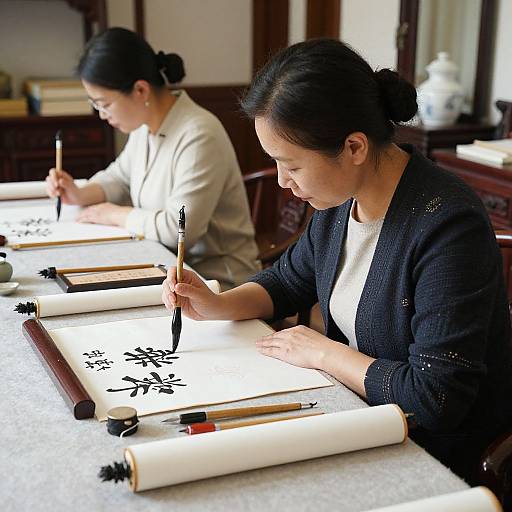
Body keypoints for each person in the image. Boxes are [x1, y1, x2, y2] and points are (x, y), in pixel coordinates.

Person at [161, 39, 512, 481]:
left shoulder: (446, 225)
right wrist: (217, 303)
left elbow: (434, 398)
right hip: (361, 418)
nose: (283, 182)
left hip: (432, 457)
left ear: (354, 147)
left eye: (291, 165)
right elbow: (288, 282)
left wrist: (324, 353)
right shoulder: (340, 203)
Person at [45, 27, 260, 289]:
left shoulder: (199, 135)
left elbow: (178, 229)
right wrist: (79, 192)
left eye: (105, 104)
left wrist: (115, 214)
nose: (102, 114)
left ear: (140, 90)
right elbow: (119, 177)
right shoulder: (145, 127)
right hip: (166, 267)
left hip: (216, 281)